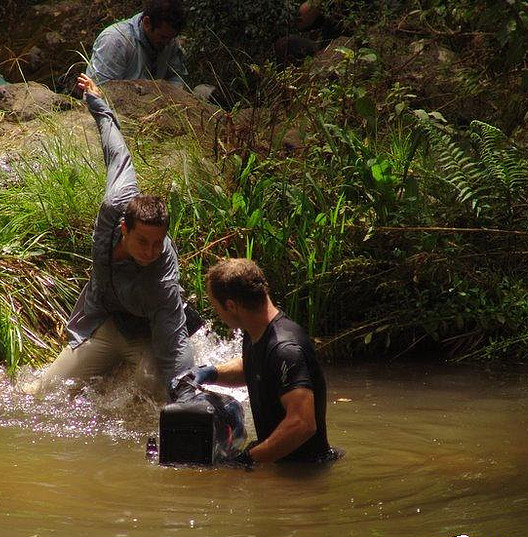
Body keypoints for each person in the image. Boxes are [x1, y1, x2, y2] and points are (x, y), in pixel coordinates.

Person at [32, 73, 194, 396]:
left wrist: (188, 392)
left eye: (158, 243)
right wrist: (97, 102)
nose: (151, 251)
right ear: (124, 229)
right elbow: (117, 151)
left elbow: (174, 340)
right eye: (143, 242)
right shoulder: (116, 204)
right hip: (105, 324)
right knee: (45, 391)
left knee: (156, 387)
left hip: (146, 336)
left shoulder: (162, 278)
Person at [190, 258, 339, 465]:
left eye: (217, 308)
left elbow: (303, 423)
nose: (219, 315)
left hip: (303, 473)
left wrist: (248, 460)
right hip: (280, 464)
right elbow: (255, 366)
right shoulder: (257, 331)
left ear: (231, 306)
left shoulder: (285, 348)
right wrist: (211, 373)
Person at [85, 0, 188, 86]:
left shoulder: (170, 41)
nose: (167, 43)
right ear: (147, 23)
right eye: (162, 37)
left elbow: (176, 78)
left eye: (171, 38)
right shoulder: (115, 41)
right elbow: (99, 91)